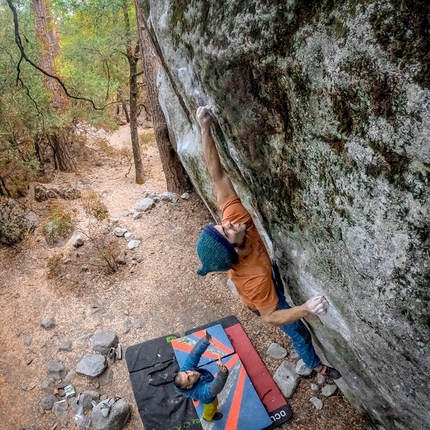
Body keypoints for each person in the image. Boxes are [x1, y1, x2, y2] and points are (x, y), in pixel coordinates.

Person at [195, 106, 341, 379]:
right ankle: (314, 365)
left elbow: (217, 177)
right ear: (233, 248)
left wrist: (205, 127)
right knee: (297, 329)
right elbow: (270, 317)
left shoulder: (234, 220)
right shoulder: (255, 281)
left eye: (221, 224)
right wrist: (306, 308)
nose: (227, 222)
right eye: (225, 231)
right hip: (262, 293)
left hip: (263, 267)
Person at [174, 330, 229, 422]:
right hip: (209, 400)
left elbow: (194, 355)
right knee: (212, 407)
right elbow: (213, 389)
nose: (192, 373)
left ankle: (194, 398)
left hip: (192, 391)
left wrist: (205, 341)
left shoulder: (185, 372)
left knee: (193, 394)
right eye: (189, 378)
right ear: (190, 386)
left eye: (187, 373)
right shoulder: (201, 392)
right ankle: (208, 417)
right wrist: (223, 373)